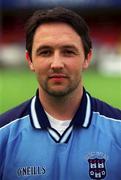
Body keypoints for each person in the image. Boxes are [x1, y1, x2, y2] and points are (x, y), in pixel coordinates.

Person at [0, 7, 121, 180]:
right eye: (45, 52)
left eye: (68, 52)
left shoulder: (118, 130)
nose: (56, 63)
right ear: (30, 60)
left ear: (87, 58)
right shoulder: (3, 135)